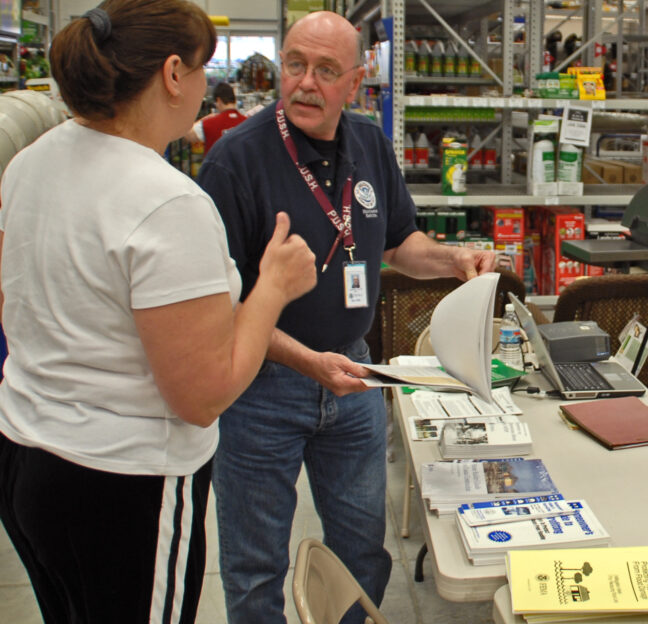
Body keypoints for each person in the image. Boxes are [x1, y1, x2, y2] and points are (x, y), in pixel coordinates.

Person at [0, 1, 317, 622]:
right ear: (174, 74)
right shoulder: (167, 201)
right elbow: (203, 395)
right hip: (125, 485)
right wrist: (272, 287)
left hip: (27, 454)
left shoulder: (31, 162)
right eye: (200, 70)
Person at [196, 11, 494, 622]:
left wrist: (451, 258)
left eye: (326, 70)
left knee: (363, 551)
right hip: (258, 389)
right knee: (255, 568)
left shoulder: (370, 146)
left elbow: (395, 245)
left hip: (355, 378)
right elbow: (219, 308)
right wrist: (308, 363)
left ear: (356, 81)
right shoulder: (236, 161)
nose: (306, 82)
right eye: (296, 64)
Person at [186, 81, 247, 153]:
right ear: (234, 100)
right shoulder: (248, 122)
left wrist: (205, 118)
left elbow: (188, 135)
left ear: (218, 100)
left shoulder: (209, 123)